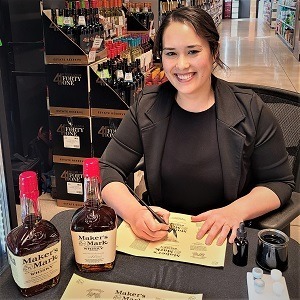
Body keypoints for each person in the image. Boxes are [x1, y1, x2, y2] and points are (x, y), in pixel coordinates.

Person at [100, 7, 294, 246]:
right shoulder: (146, 106)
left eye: (193, 51)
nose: (181, 65)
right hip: (165, 237)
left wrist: (235, 211)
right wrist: (135, 212)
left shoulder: (250, 110)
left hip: (227, 237)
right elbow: (107, 168)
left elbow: (279, 183)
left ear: (214, 51)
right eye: (171, 53)